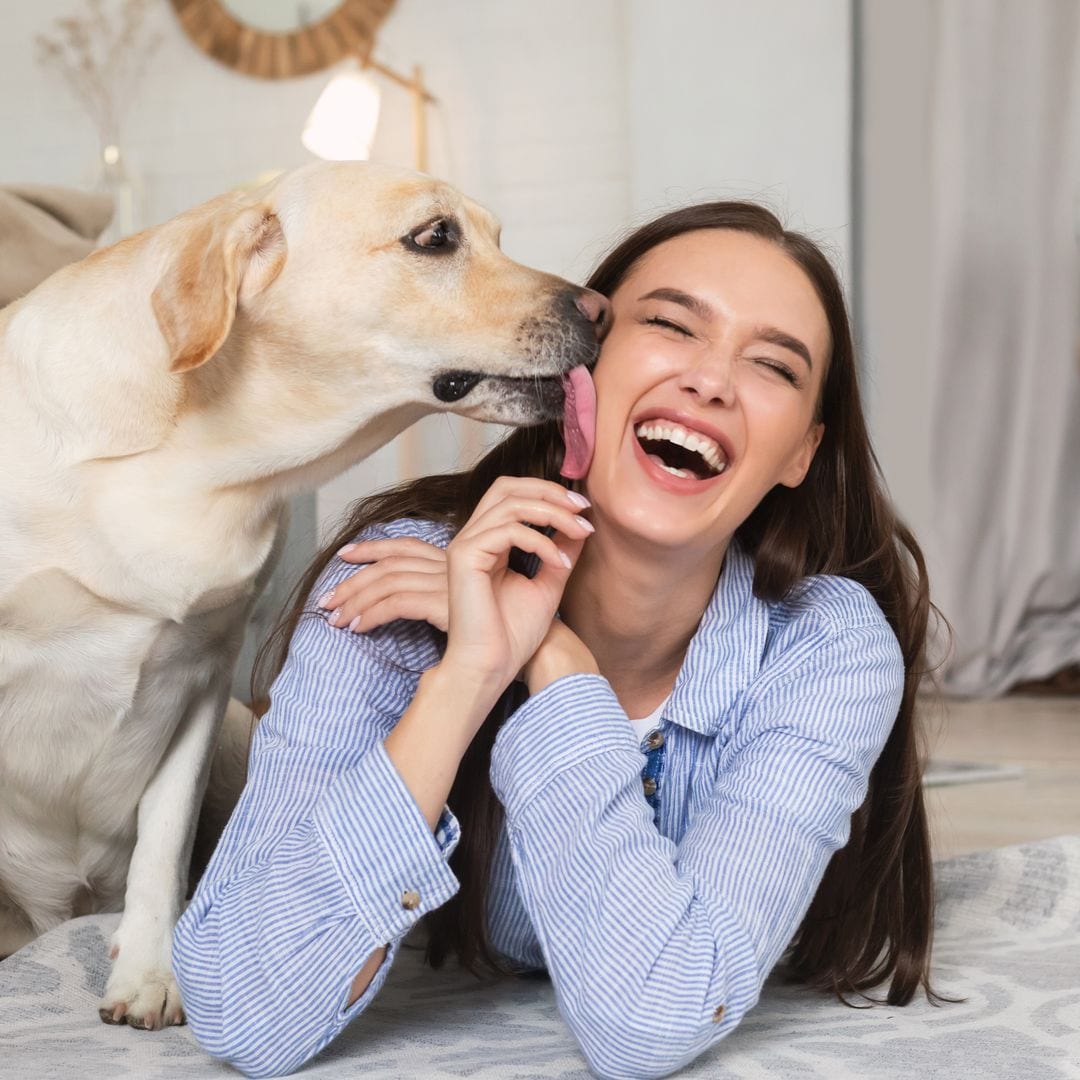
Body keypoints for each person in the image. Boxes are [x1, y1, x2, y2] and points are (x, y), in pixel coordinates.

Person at [173, 201, 941, 1079]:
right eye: (669, 325)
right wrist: (466, 676)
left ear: (800, 453)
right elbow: (240, 1005)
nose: (713, 381)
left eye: (771, 365)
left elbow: (649, 1020)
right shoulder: (394, 582)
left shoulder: (828, 649)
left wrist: (551, 660)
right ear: (580, 369)